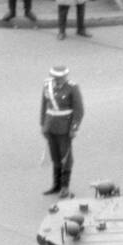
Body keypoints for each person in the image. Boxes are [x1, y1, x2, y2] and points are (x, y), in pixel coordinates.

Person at [40, 65, 85, 196]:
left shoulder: (72, 87)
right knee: (55, 156)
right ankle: (56, 185)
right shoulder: (47, 85)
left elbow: (79, 110)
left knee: (66, 157)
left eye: (61, 77)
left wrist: (74, 128)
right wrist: (43, 125)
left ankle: (65, 187)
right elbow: (44, 106)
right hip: (50, 126)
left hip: (64, 128)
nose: (59, 80)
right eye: (56, 78)